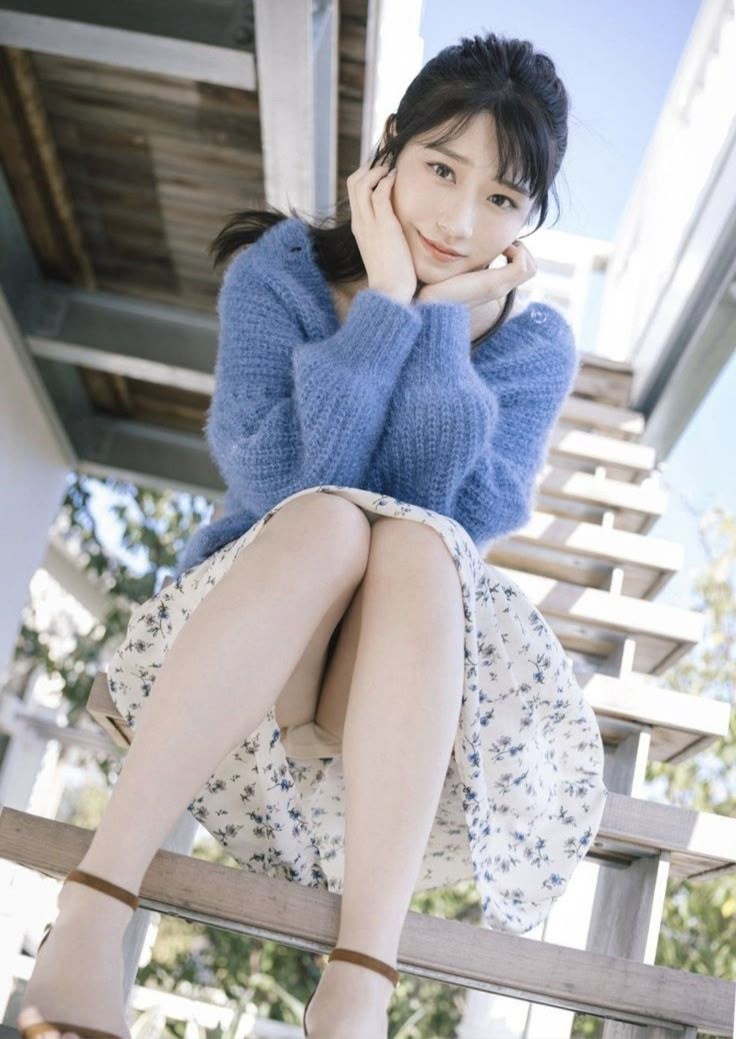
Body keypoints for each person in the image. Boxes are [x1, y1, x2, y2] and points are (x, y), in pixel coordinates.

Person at [18, 30, 608, 1039]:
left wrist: (437, 323)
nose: (460, 221)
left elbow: (454, 514)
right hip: (246, 666)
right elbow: (281, 481)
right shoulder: (280, 275)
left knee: (417, 545)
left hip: (391, 718)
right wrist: (387, 307)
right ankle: (96, 900)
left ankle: (359, 981)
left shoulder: (530, 346)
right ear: (390, 147)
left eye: (502, 198)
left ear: (527, 220)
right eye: (441, 169)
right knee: (330, 520)